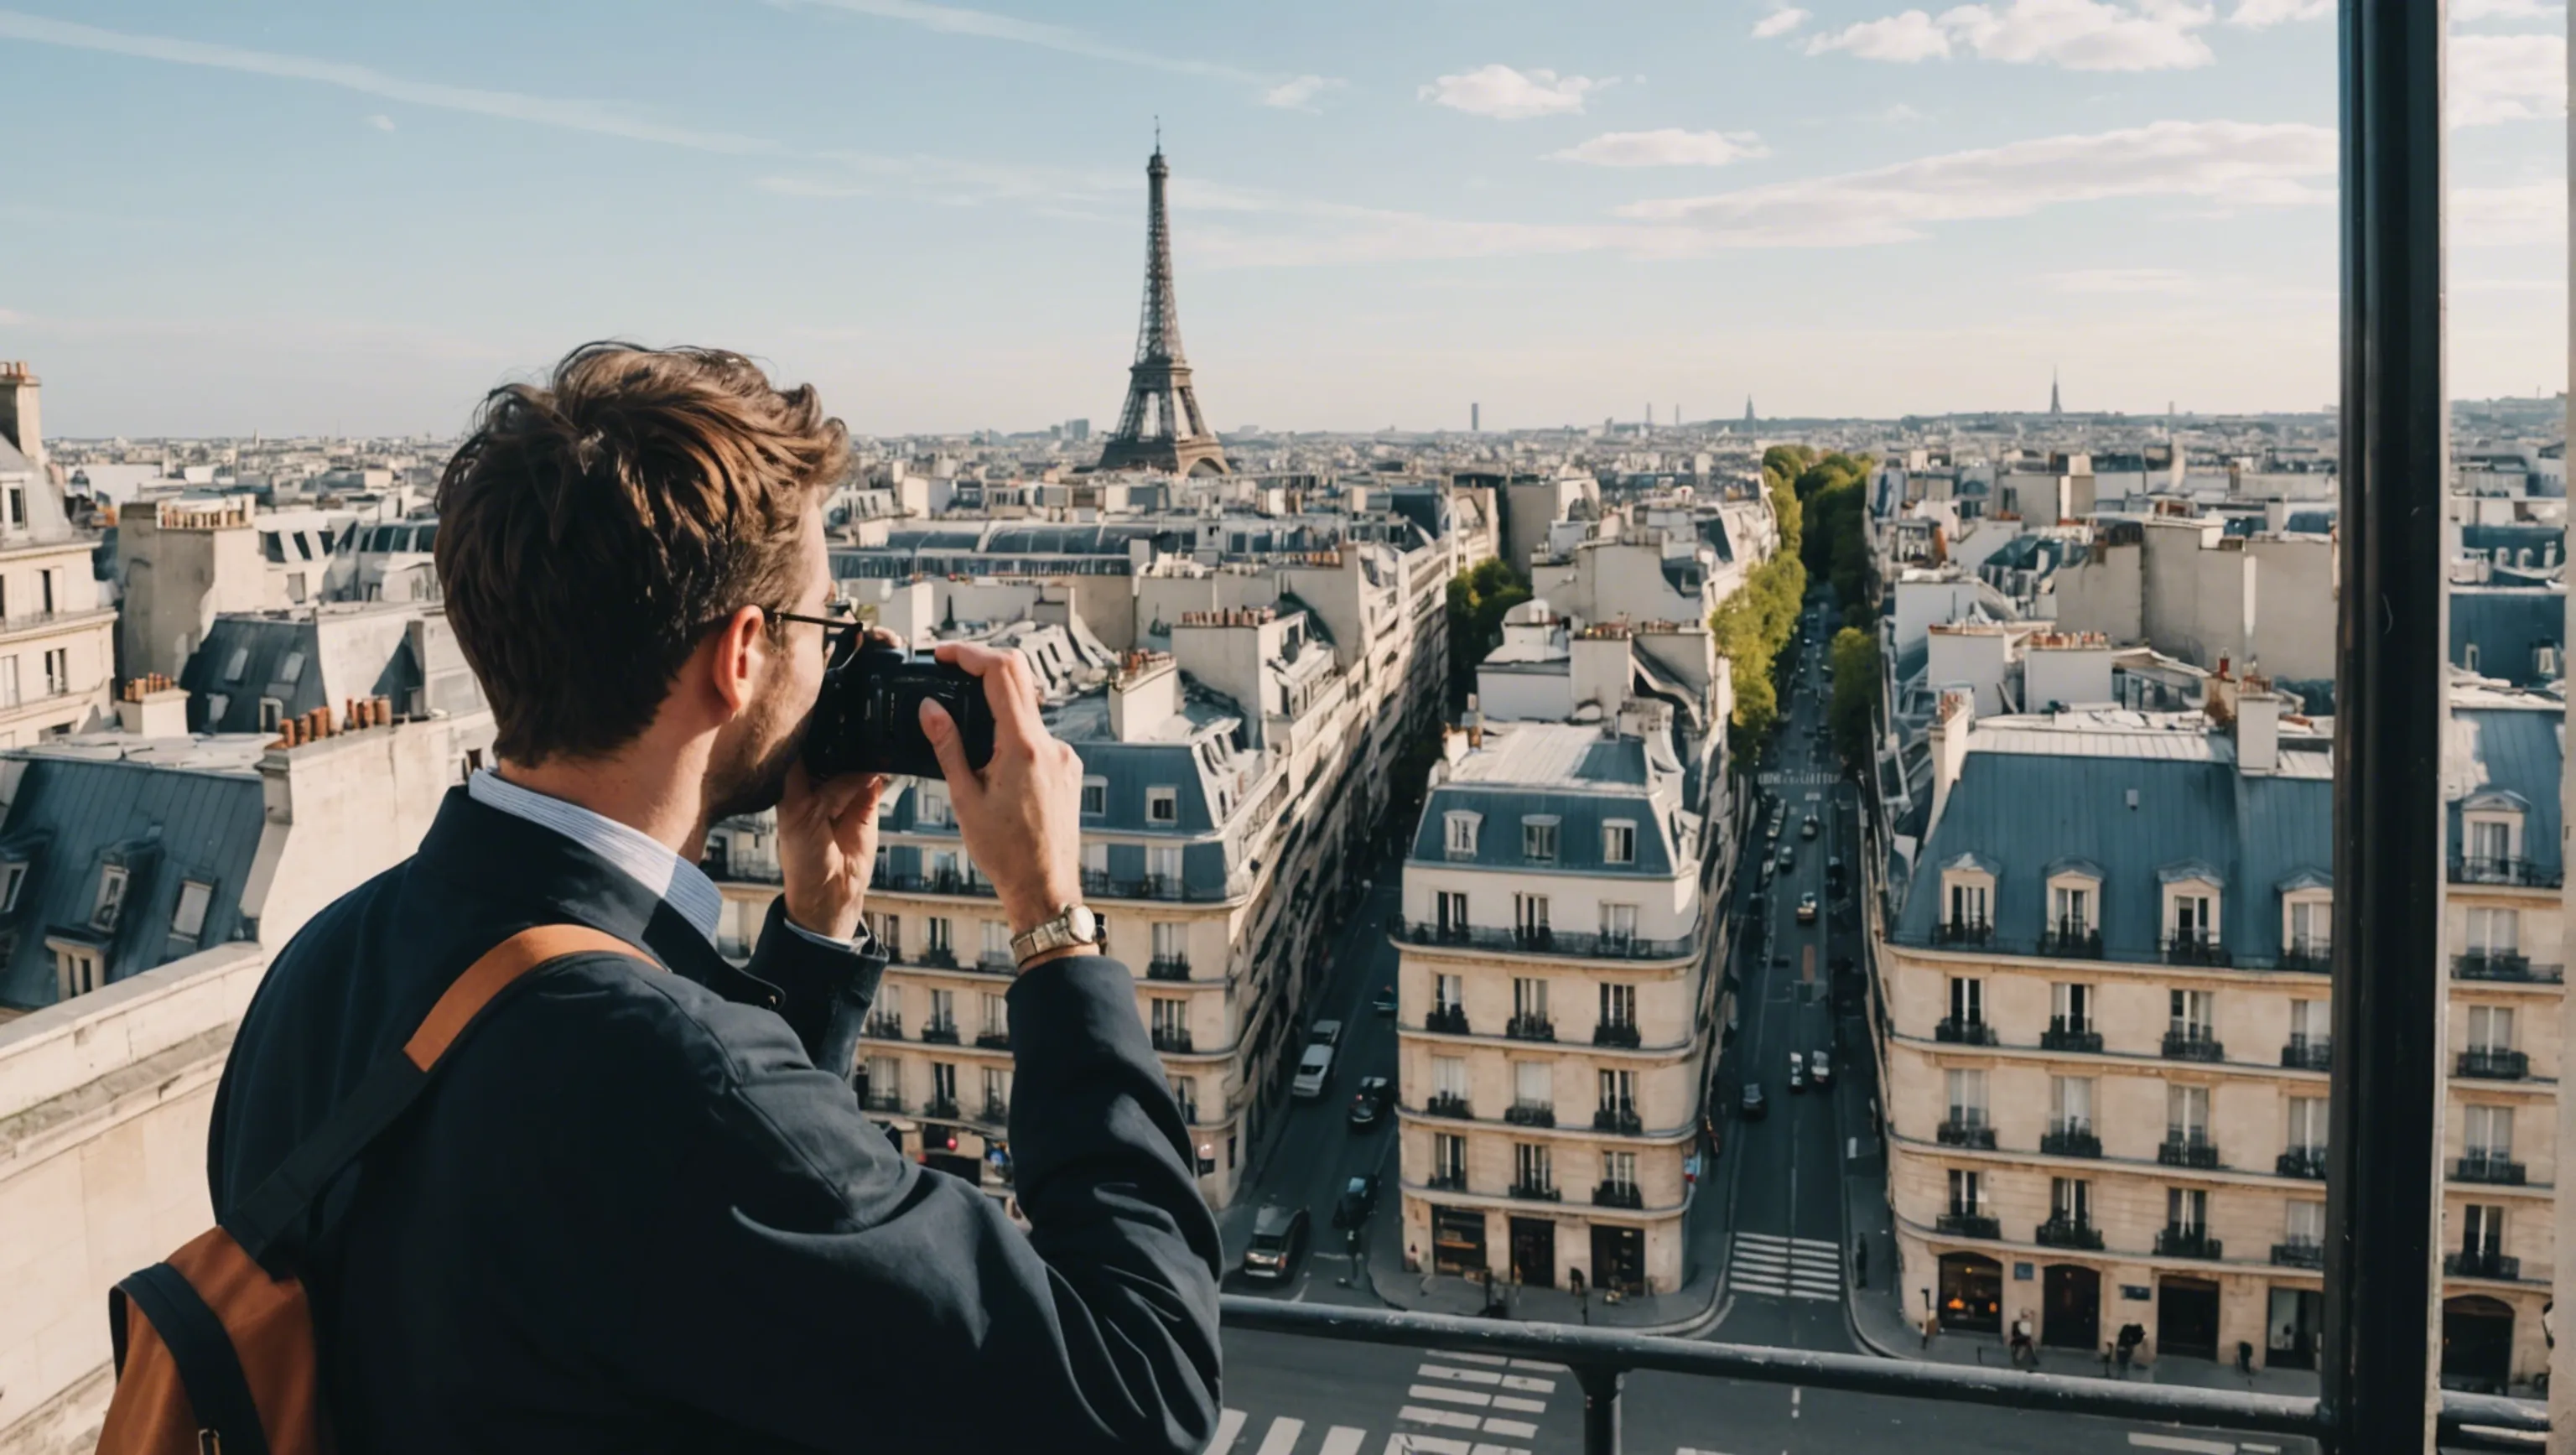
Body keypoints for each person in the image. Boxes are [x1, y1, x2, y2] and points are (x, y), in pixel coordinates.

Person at [205, 345, 1223, 1454]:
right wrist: (1051, 918)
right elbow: (1143, 1393)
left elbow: (671, 1288)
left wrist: (815, 943)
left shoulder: (317, 970)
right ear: (743, 652)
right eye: (828, 631)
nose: (836, 670)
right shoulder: (687, 1091)